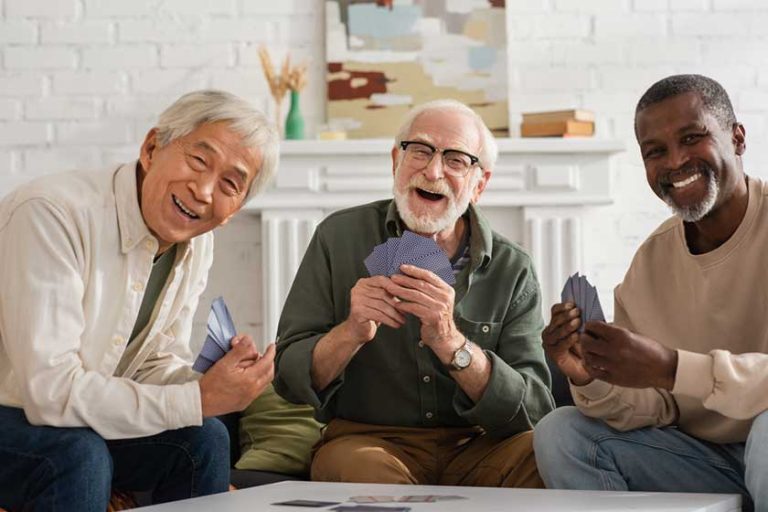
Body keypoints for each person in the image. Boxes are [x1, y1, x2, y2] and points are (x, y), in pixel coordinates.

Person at [0, 90, 279, 511]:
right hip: (17, 412)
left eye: (229, 183)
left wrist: (215, 384)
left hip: (72, 420)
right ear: (152, 148)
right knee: (77, 454)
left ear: (235, 207)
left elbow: (151, 363)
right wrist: (196, 399)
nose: (204, 191)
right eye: (199, 161)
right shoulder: (51, 214)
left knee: (202, 438)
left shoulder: (195, 242)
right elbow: (50, 393)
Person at [274, 99, 554, 487]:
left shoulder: (513, 267)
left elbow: (534, 409)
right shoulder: (337, 237)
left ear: (479, 184)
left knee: (547, 456)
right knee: (363, 472)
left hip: (481, 446)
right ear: (395, 161)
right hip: (368, 442)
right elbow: (288, 378)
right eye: (420, 151)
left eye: (456, 160)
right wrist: (351, 331)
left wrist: (451, 342)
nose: (433, 170)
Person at [534, 74, 768, 511]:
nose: (675, 161)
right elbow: (652, 406)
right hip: (705, 462)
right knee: (561, 432)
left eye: (692, 137)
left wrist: (673, 368)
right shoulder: (651, 262)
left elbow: (670, 375)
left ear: (737, 138)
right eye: (655, 151)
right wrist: (588, 374)